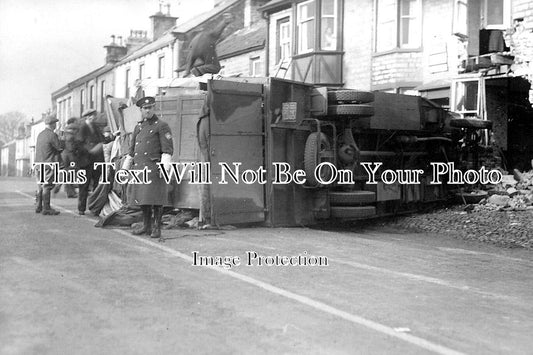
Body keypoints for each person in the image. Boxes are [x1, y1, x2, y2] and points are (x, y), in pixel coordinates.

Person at [122, 97, 173, 238]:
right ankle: (146, 226)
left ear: (154, 108)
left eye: (150, 107)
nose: (148, 110)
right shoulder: (138, 127)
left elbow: (167, 149)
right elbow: (132, 151)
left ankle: (156, 228)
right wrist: (125, 169)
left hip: (154, 169)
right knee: (143, 199)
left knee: (156, 199)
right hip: (140, 169)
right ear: (141, 110)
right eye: (145, 108)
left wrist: (164, 168)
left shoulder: (161, 125)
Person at [184, 13, 233, 77]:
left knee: (205, 65)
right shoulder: (212, 35)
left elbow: (190, 59)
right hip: (205, 44)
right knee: (215, 67)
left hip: (192, 47)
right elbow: (218, 30)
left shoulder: (196, 38)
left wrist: (187, 72)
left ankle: (194, 72)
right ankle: (198, 71)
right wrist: (225, 22)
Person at [76, 108, 105, 215]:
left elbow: (102, 140)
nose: (95, 117)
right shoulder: (82, 128)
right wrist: (90, 151)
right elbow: (78, 144)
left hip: (96, 161)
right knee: (84, 185)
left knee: (97, 185)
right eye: (93, 116)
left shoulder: (96, 127)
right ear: (87, 117)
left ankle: (94, 208)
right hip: (85, 161)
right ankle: (81, 208)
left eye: (94, 115)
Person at [34, 114, 63, 215]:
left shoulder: (40, 134)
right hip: (48, 164)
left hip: (38, 164)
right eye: (55, 123)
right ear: (52, 124)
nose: (56, 125)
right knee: (47, 186)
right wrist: (61, 137)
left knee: (40, 186)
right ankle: (46, 208)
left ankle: (38, 206)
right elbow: (59, 147)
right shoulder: (52, 135)